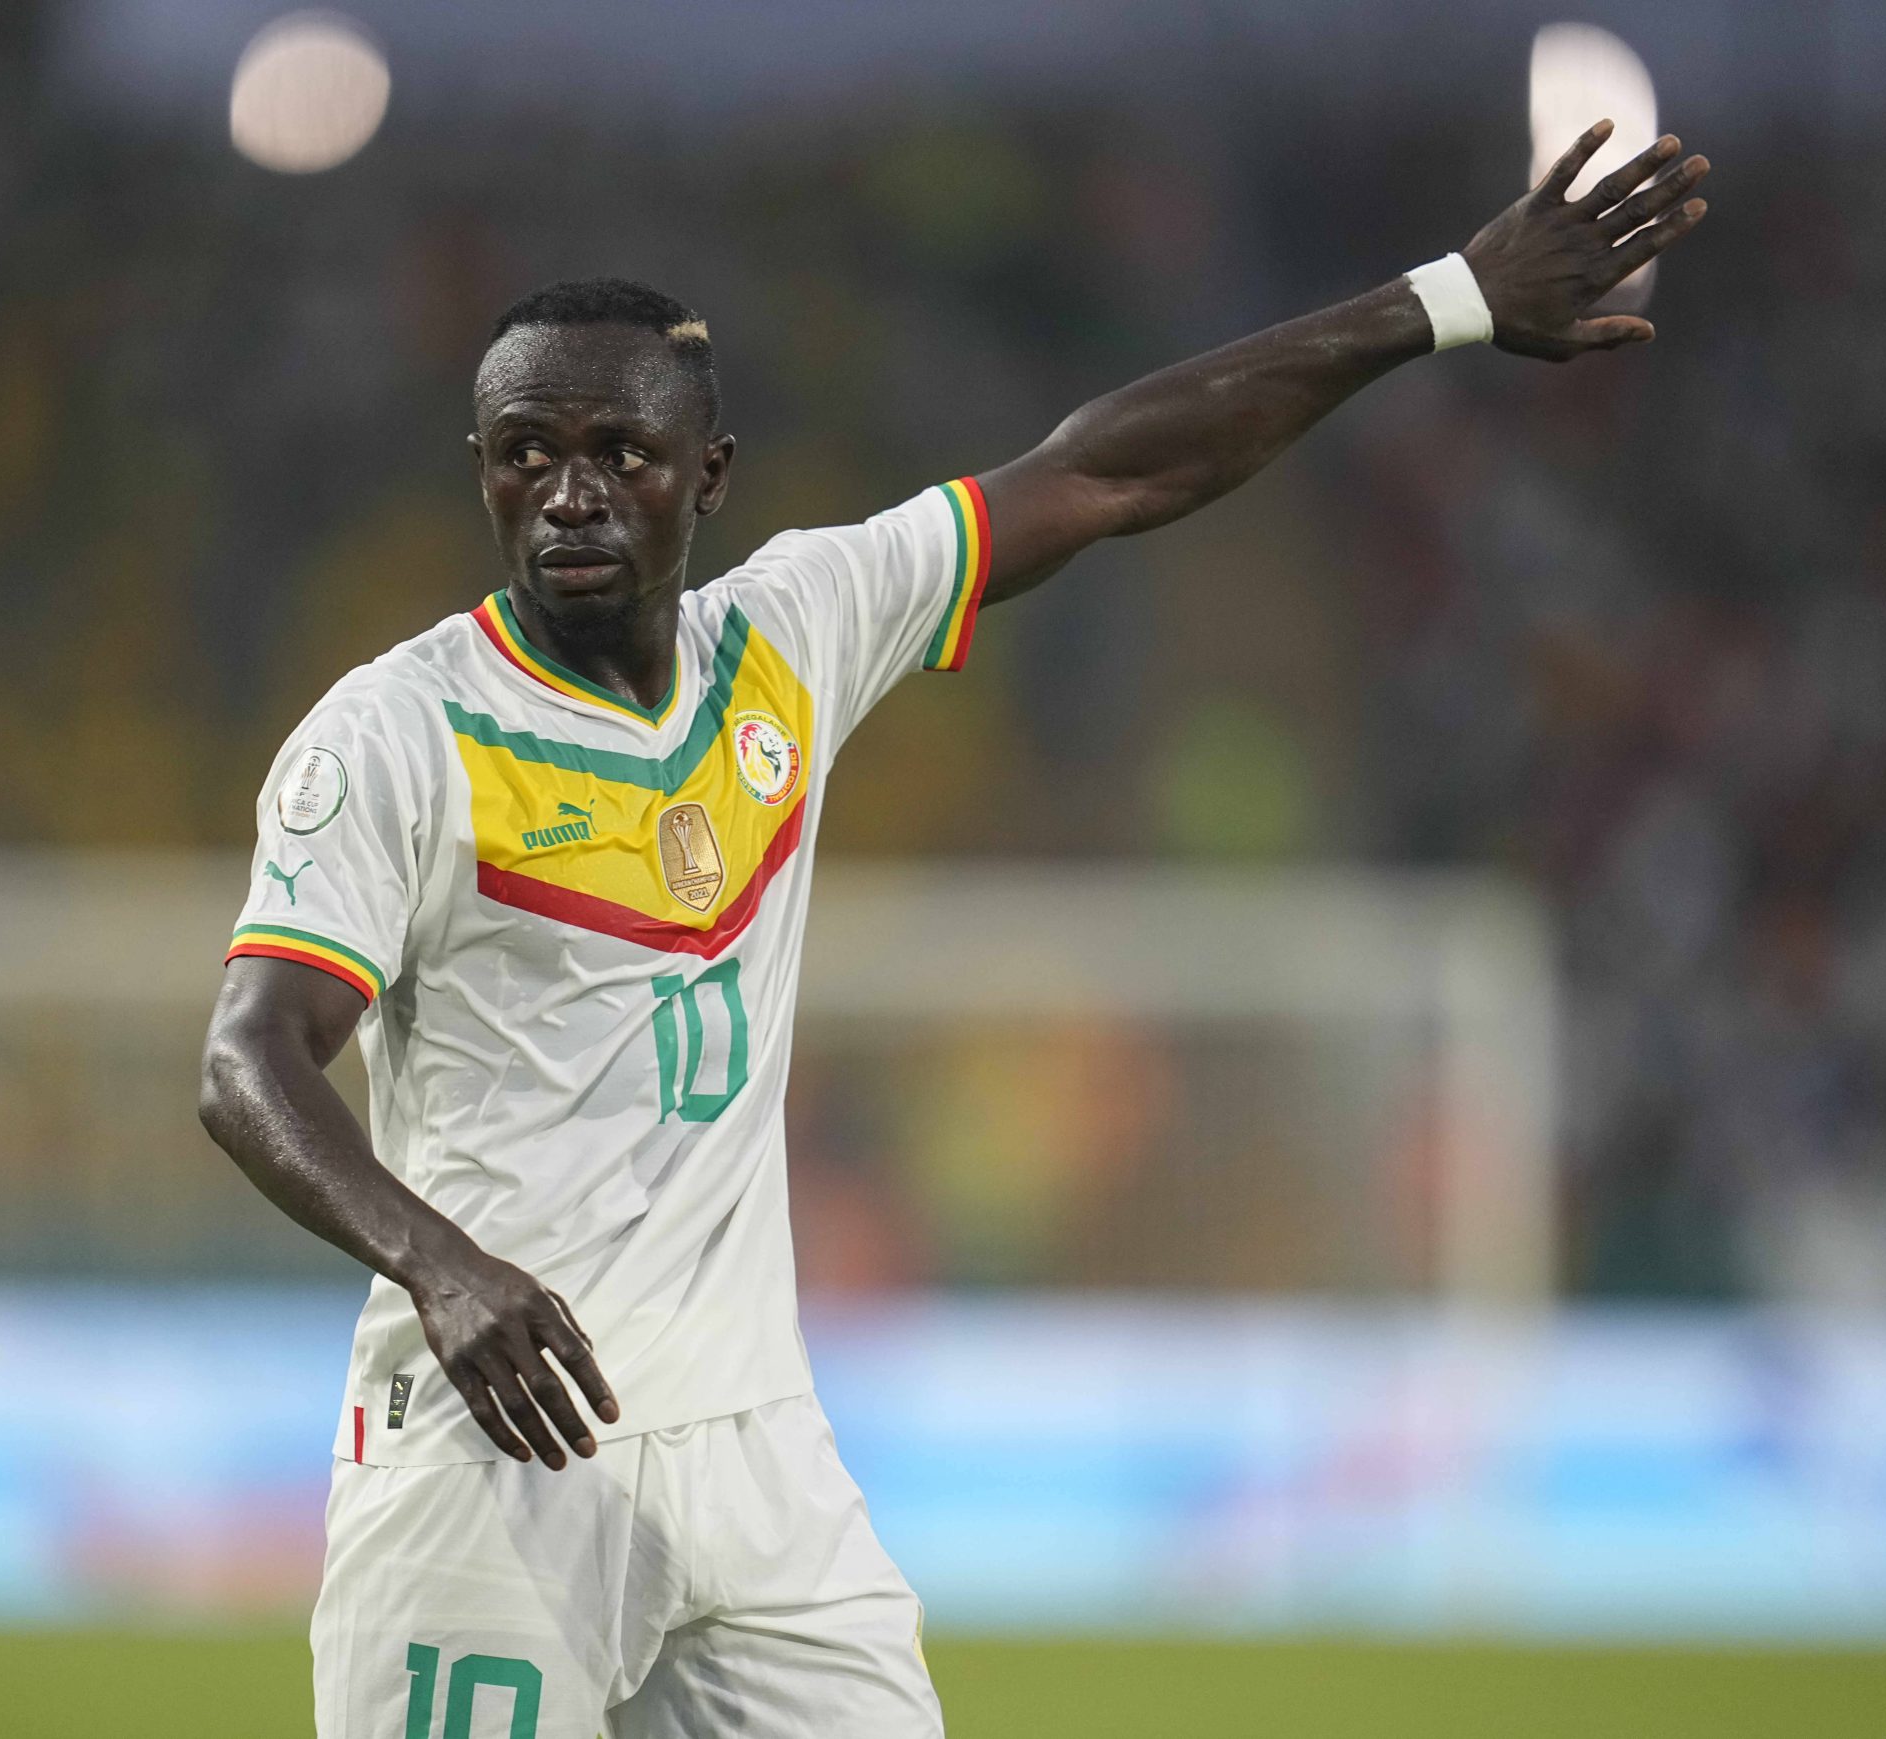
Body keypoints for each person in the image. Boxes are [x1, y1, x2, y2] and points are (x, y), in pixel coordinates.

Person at [199, 120, 1708, 1737]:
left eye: (616, 452)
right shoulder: (398, 735)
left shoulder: (794, 631)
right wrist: (439, 1264)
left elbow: (1114, 466)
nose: (566, 492)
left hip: (748, 1442)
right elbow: (247, 1060)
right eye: (522, 451)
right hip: (491, 1449)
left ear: (707, 473)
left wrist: (1448, 299)